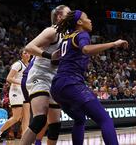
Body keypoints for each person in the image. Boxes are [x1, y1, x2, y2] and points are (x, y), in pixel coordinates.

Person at [51, 10, 128, 145]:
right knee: (105, 120)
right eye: (87, 18)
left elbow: (56, 57)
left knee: (80, 119)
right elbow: (86, 49)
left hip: (57, 87)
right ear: (79, 22)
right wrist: (114, 44)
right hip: (71, 83)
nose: (90, 20)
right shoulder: (82, 34)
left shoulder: (67, 37)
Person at [20, 5, 71, 145]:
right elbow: (29, 47)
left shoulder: (67, 36)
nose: (71, 14)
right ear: (59, 17)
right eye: (68, 12)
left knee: (55, 124)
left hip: (53, 79)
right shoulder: (52, 31)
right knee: (40, 119)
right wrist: (49, 55)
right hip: (40, 75)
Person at [0, 49, 30, 144]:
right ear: (21, 55)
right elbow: (9, 78)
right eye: (25, 53)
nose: (27, 54)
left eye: (28, 53)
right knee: (16, 117)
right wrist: (22, 82)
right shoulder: (18, 64)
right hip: (16, 91)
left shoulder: (30, 65)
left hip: (25, 92)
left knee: (26, 118)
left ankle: (25, 141)